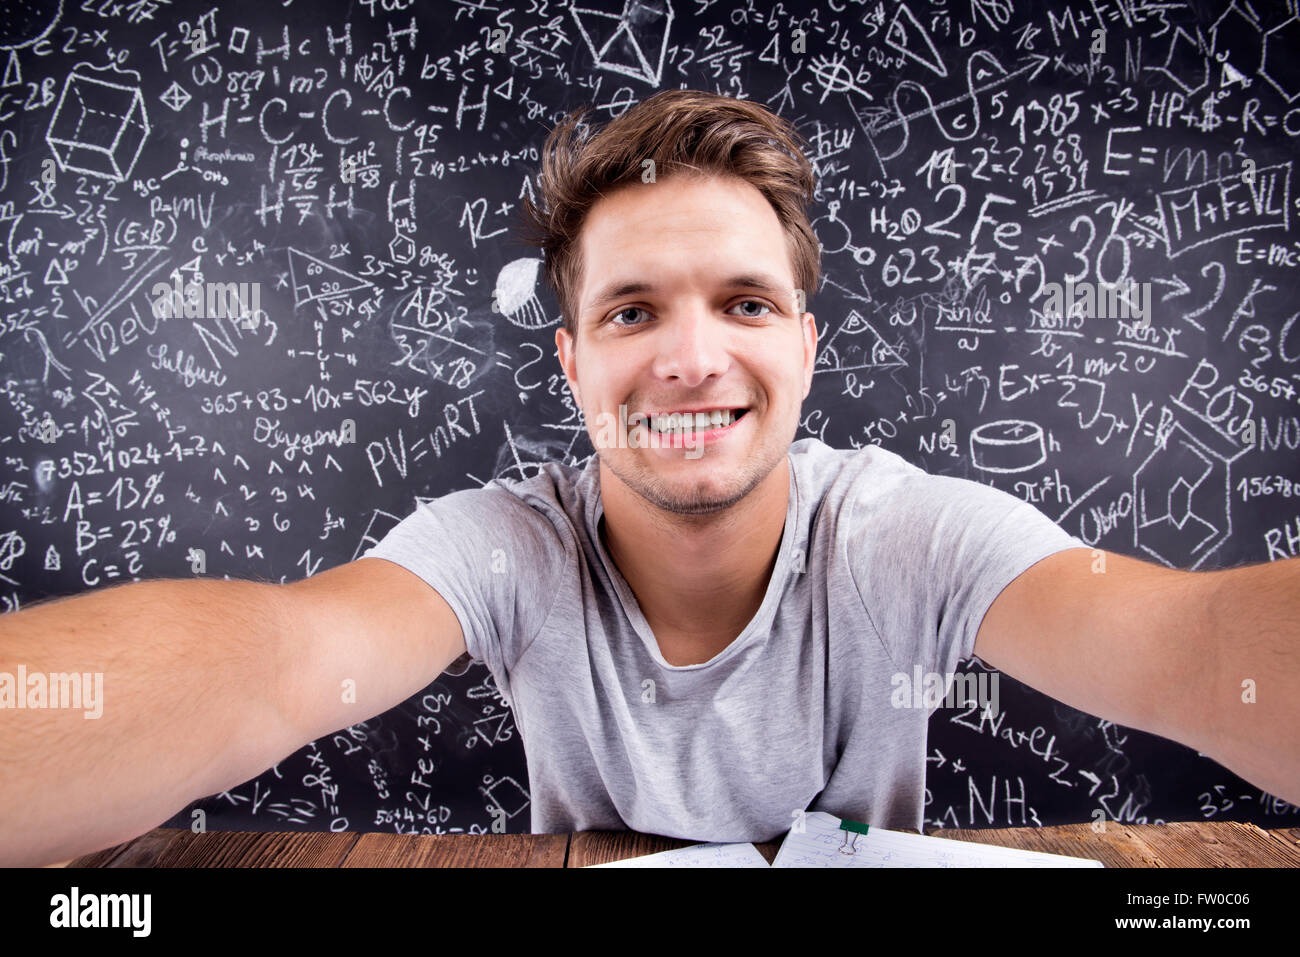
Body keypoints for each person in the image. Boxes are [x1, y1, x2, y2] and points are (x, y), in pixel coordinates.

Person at [1, 90, 1296, 867]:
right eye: (631, 312)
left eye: (742, 301)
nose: (689, 357)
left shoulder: (907, 529)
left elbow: (1190, 641)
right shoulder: (507, 546)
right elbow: (277, 659)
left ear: (804, 343)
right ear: (570, 364)